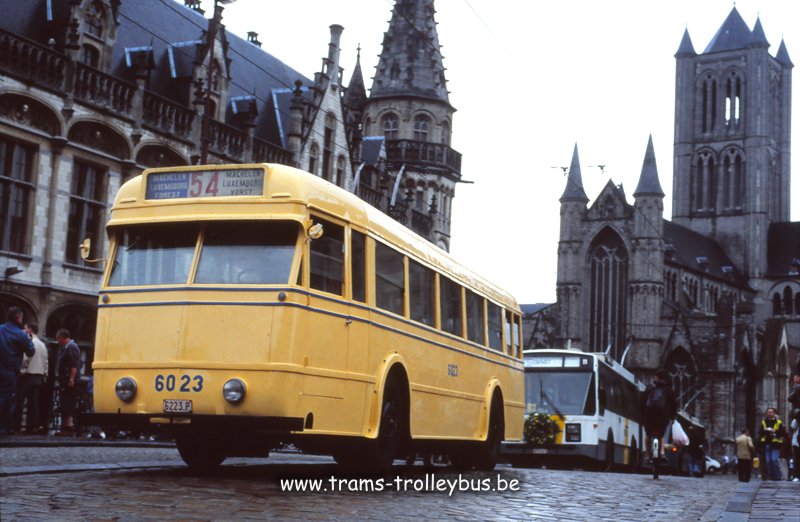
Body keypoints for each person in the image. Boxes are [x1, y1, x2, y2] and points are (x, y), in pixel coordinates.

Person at [0, 306, 34, 435]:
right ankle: (4, 428)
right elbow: (31, 351)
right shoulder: (20, 334)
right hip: (10, 370)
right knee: (7, 399)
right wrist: (28, 338)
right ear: (19, 318)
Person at [12, 323, 48, 434]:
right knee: (33, 403)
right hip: (38, 376)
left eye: (25, 328)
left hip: (27, 376)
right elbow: (46, 362)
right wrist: (44, 375)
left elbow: (25, 360)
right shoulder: (43, 345)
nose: (23, 330)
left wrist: (20, 371)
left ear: (30, 330)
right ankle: (32, 427)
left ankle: (16, 426)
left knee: (19, 402)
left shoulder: (30, 343)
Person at [642, 368, 677, 461]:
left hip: (649, 417)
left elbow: (642, 402)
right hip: (662, 417)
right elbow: (674, 405)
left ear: (656, 377)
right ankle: (661, 452)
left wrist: (642, 416)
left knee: (648, 435)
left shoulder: (649, 388)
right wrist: (672, 417)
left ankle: (648, 455)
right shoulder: (669, 390)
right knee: (661, 435)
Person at [55, 329, 81, 436]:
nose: (57, 341)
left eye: (58, 339)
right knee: (65, 402)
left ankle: (68, 427)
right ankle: (66, 426)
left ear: (62, 337)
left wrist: (71, 379)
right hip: (65, 380)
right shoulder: (67, 347)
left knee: (68, 403)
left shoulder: (71, 347)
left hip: (69, 381)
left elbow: (73, 365)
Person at [758, 407, 786, 481]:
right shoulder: (764, 422)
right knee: (768, 461)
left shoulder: (778, 422)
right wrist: (767, 431)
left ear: (774, 413)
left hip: (775, 444)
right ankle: (770, 476)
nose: (769, 413)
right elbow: (760, 432)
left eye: (771, 412)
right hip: (767, 444)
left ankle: (777, 476)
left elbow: (782, 433)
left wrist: (774, 431)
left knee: (774, 460)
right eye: (768, 412)